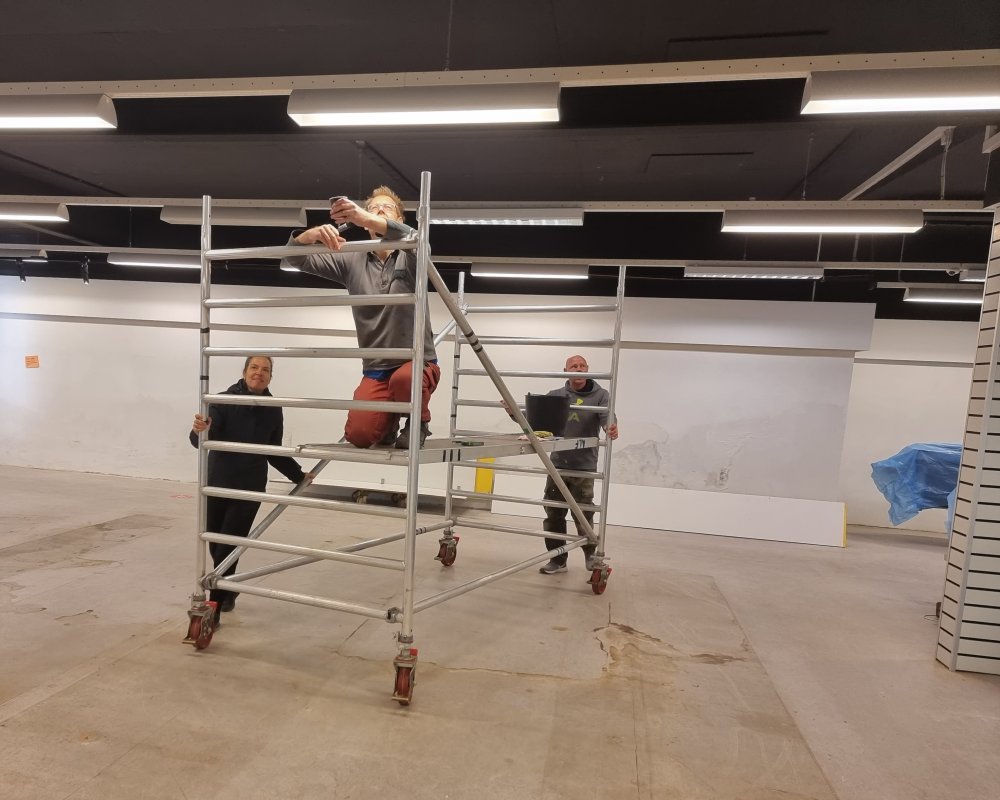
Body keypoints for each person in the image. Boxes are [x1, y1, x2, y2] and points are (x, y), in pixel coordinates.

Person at [280, 186, 440, 449]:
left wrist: (362, 215)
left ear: (399, 219)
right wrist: (312, 235)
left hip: (416, 364)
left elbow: (415, 237)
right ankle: (388, 423)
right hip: (377, 368)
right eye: (374, 208)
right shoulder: (351, 260)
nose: (379, 211)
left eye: (387, 208)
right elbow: (294, 259)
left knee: (404, 379)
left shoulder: (412, 254)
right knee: (360, 436)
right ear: (366, 226)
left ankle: (418, 422)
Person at [189, 356, 314, 621]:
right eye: (254, 368)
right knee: (215, 540)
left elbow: (273, 450)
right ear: (245, 371)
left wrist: (298, 475)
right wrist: (200, 430)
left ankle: (215, 606)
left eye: (265, 369)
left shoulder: (273, 408)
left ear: (270, 377)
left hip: (249, 486)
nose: (259, 373)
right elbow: (201, 439)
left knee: (230, 543)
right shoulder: (222, 401)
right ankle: (228, 588)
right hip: (217, 482)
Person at [533, 355, 618, 574]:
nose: (578, 369)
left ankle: (591, 555)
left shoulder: (601, 395)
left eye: (582, 366)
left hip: (584, 466)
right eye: (574, 366)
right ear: (566, 371)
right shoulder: (556, 395)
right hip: (557, 466)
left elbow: (608, 418)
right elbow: (535, 418)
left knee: (583, 514)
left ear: (587, 370)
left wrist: (611, 427)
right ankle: (558, 560)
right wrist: (513, 412)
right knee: (554, 513)